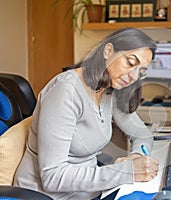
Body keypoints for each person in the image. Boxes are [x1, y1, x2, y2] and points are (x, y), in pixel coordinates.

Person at [13, 27, 159, 200]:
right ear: (108, 51)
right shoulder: (66, 91)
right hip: (49, 195)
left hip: (88, 191)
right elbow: (53, 177)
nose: (134, 76)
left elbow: (142, 134)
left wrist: (136, 157)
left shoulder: (109, 89)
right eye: (130, 63)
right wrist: (126, 171)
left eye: (141, 72)